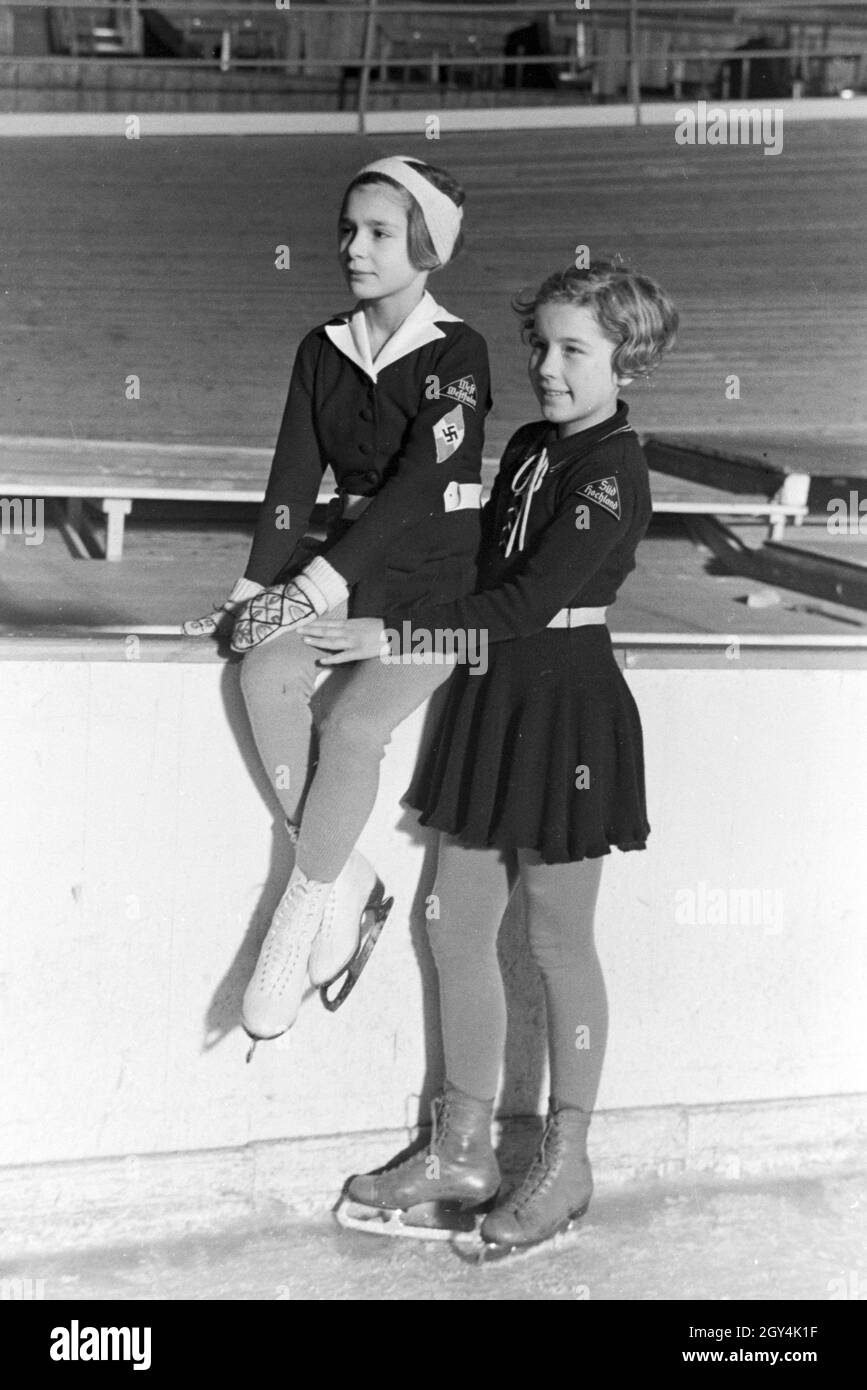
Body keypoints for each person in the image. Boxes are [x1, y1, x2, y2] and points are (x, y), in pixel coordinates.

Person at [304, 260, 678, 1254]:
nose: (547, 368)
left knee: (556, 941)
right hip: (488, 696)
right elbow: (478, 567)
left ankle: (567, 1162)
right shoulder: (527, 446)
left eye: (573, 351)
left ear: (623, 358)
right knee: (447, 921)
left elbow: (522, 602)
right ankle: (462, 1143)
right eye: (539, 346)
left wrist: (393, 638)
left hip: (565, 709)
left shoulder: (613, 471)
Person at [183, 156, 491, 1050]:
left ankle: (297, 916)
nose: (353, 249)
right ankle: (344, 877)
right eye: (347, 230)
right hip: (341, 564)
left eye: (379, 234)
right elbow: (291, 477)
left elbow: (415, 486)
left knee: (353, 729)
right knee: (260, 671)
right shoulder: (321, 346)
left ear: (426, 249)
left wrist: (314, 585)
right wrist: (252, 592)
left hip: (437, 580)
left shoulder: (457, 356)